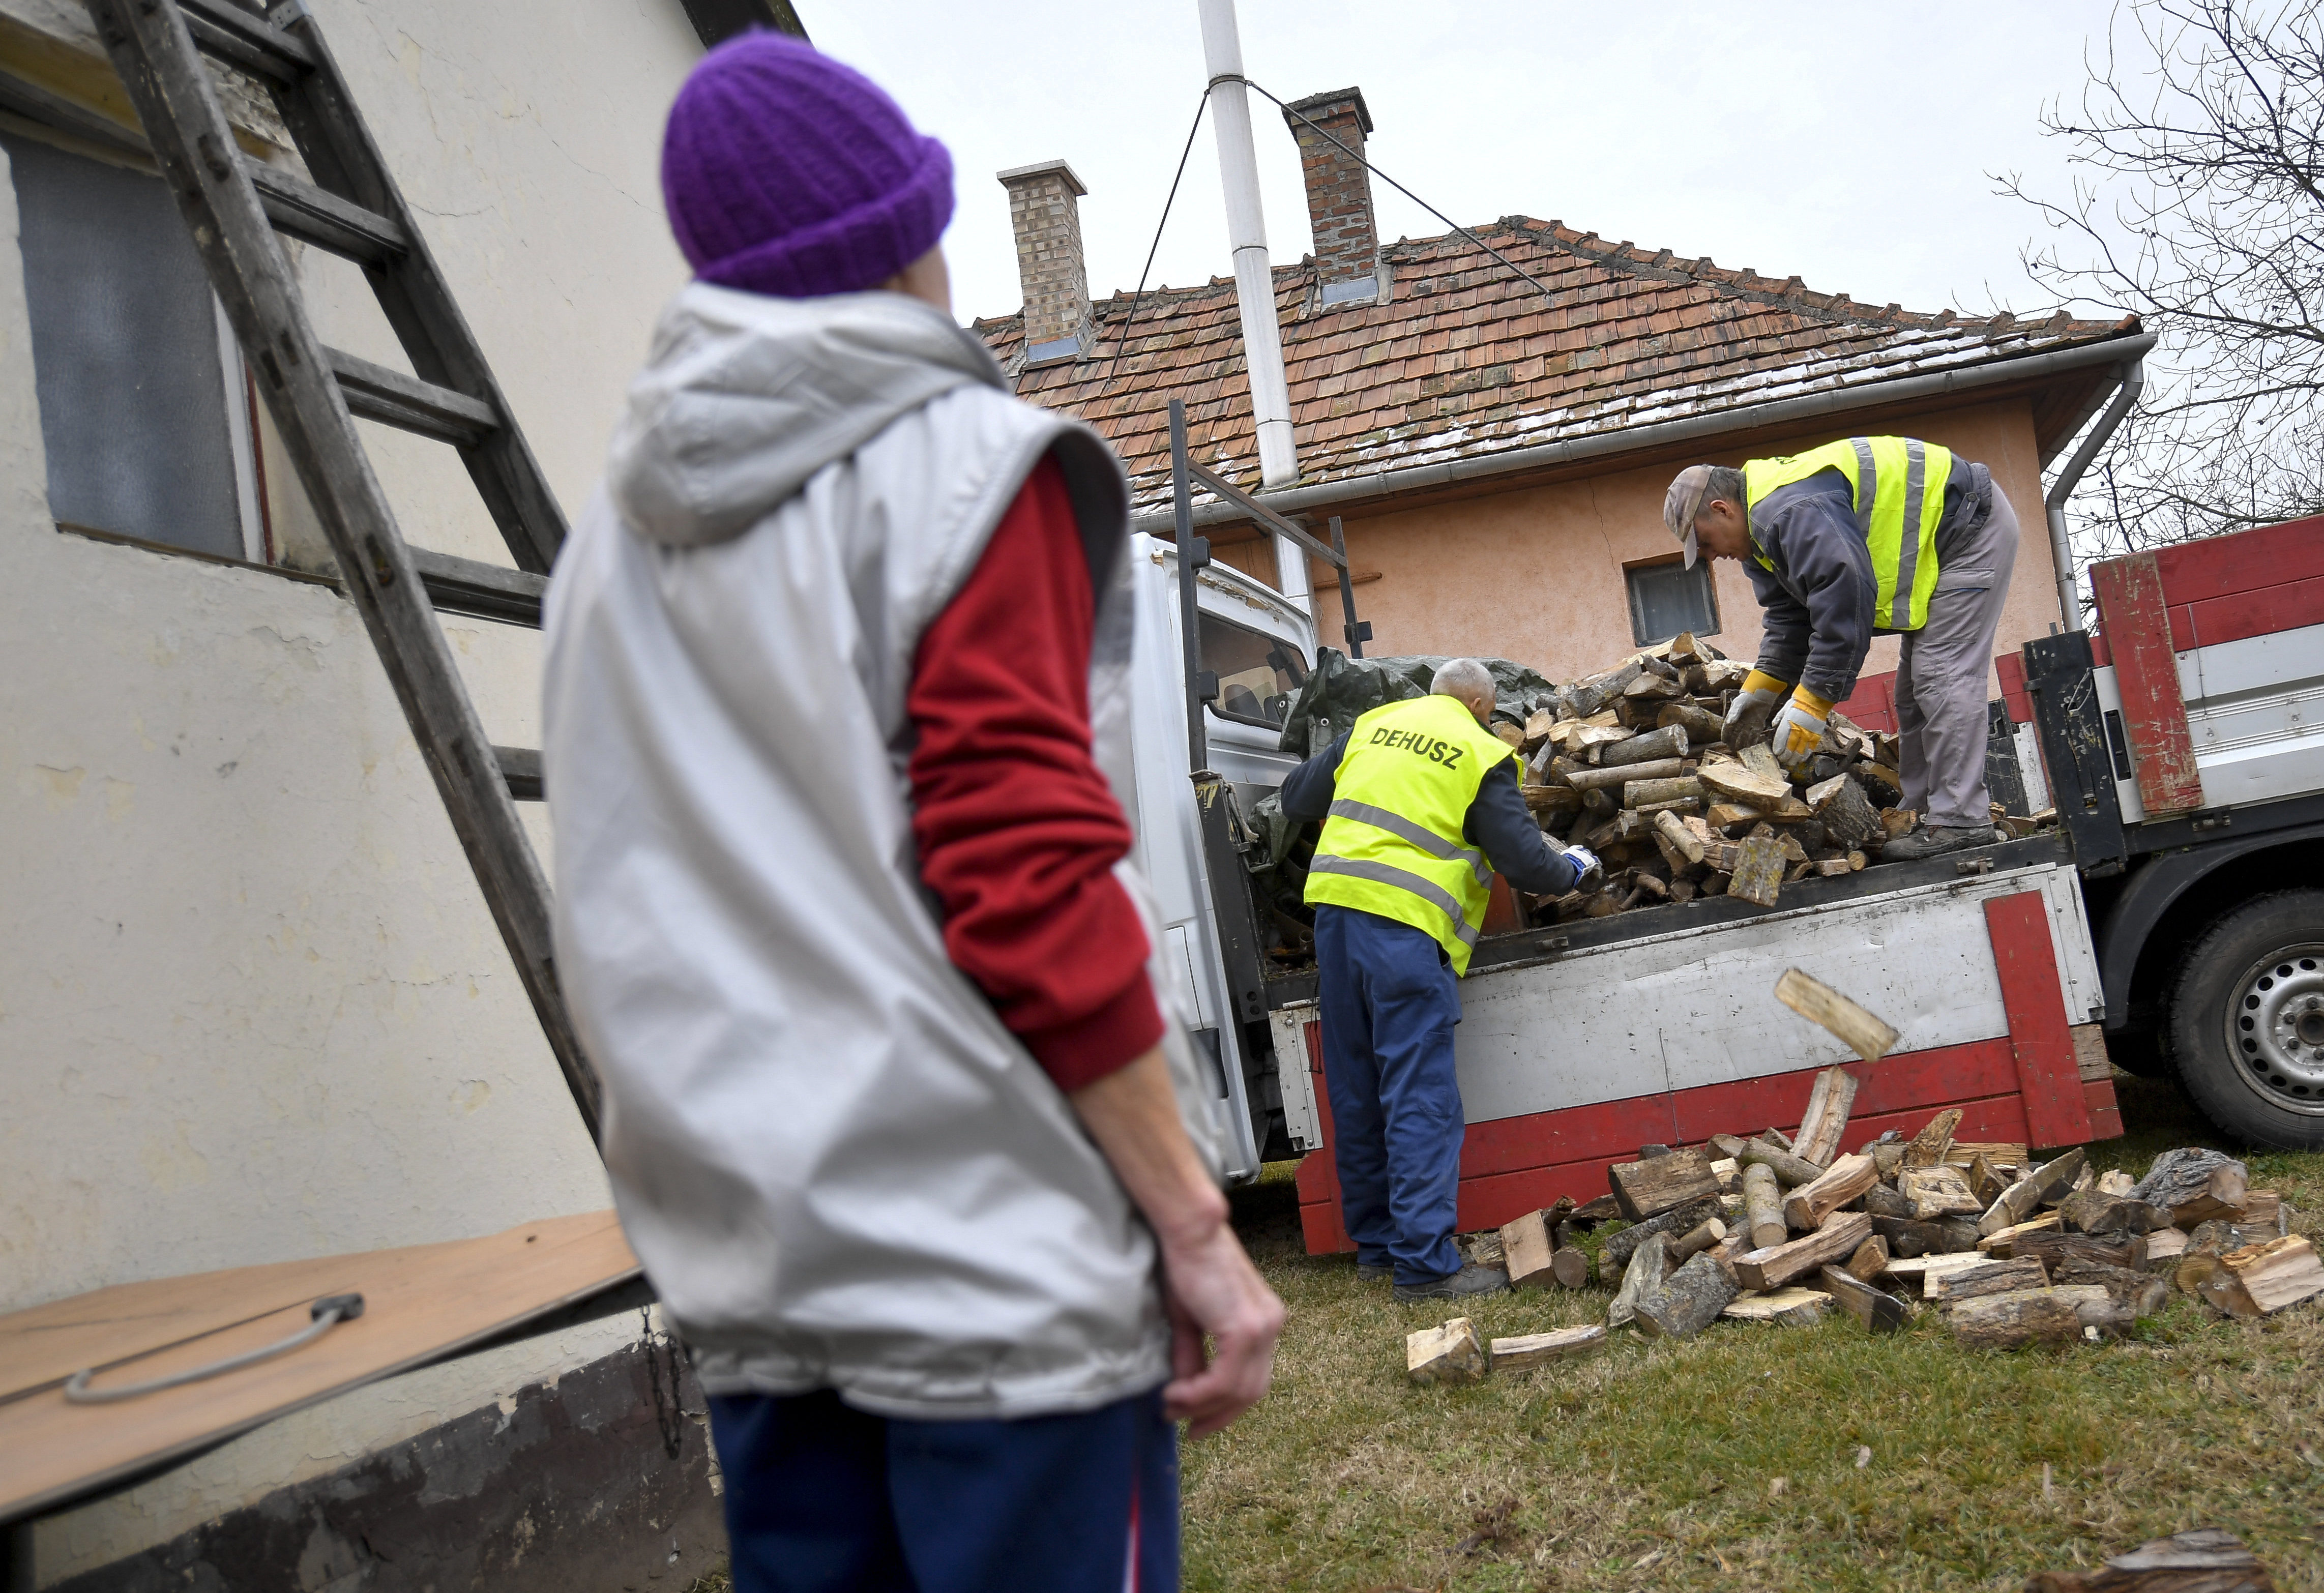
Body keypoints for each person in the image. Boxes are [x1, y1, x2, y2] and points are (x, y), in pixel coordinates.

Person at [539, 36, 1282, 1593]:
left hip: (760, 1275)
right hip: (989, 1279)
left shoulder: (603, 551)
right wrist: (1192, 1222)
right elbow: (1022, 879)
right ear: (910, 237)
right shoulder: (957, 473)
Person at [1278, 660, 1599, 1301]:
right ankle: (1425, 1268)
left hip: (1337, 921)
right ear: (1481, 704)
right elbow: (1521, 860)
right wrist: (1573, 867)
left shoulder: (1375, 724)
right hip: (1403, 932)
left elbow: (1295, 798)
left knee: (1358, 1088)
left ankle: (1376, 1247)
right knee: (1419, 1096)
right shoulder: (1482, 753)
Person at [1663, 437, 2022, 861]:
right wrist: (1760, 691)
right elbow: (1790, 617)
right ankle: (1924, 815)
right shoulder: (1761, 540)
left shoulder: (1788, 511)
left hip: (1968, 529)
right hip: (1944, 542)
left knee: (1940, 677)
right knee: (1912, 696)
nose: (1710, 556)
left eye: (1704, 543)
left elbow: (1844, 592)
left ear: (1723, 510)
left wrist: (1813, 702)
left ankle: (1961, 820)